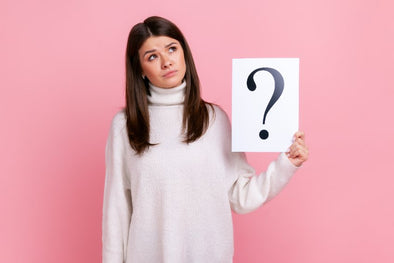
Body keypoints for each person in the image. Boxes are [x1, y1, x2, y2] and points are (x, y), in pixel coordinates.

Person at [102, 16, 309, 263]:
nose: (167, 62)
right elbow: (117, 212)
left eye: (172, 49)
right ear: (140, 70)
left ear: (184, 54)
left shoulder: (214, 120)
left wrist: (287, 163)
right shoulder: (125, 126)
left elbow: (241, 197)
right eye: (152, 56)